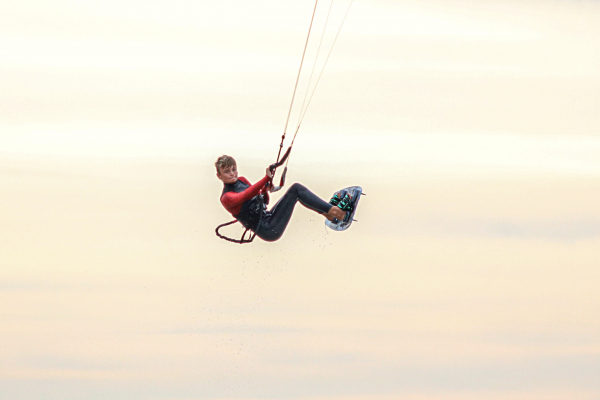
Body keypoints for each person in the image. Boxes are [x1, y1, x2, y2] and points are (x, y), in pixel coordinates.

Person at [215, 155, 356, 242]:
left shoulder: (242, 180)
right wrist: (266, 179)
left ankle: (330, 215)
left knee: (295, 191)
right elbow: (245, 196)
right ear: (219, 176)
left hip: (269, 216)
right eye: (226, 172)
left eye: (233, 169)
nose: (232, 174)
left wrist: (265, 190)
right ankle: (338, 213)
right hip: (268, 229)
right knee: (296, 190)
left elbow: (264, 201)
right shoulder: (226, 197)